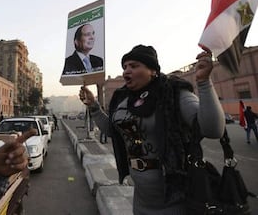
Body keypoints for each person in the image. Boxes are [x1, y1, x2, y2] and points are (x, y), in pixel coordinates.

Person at [79, 44, 225, 214]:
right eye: (125, 66)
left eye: (134, 66)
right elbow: (113, 132)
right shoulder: (123, 100)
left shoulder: (173, 93)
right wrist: (94, 107)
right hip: (141, 202)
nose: (126, 71)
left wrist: (204, 82)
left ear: (153, 71)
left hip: (177, 202)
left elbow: (214, 129)